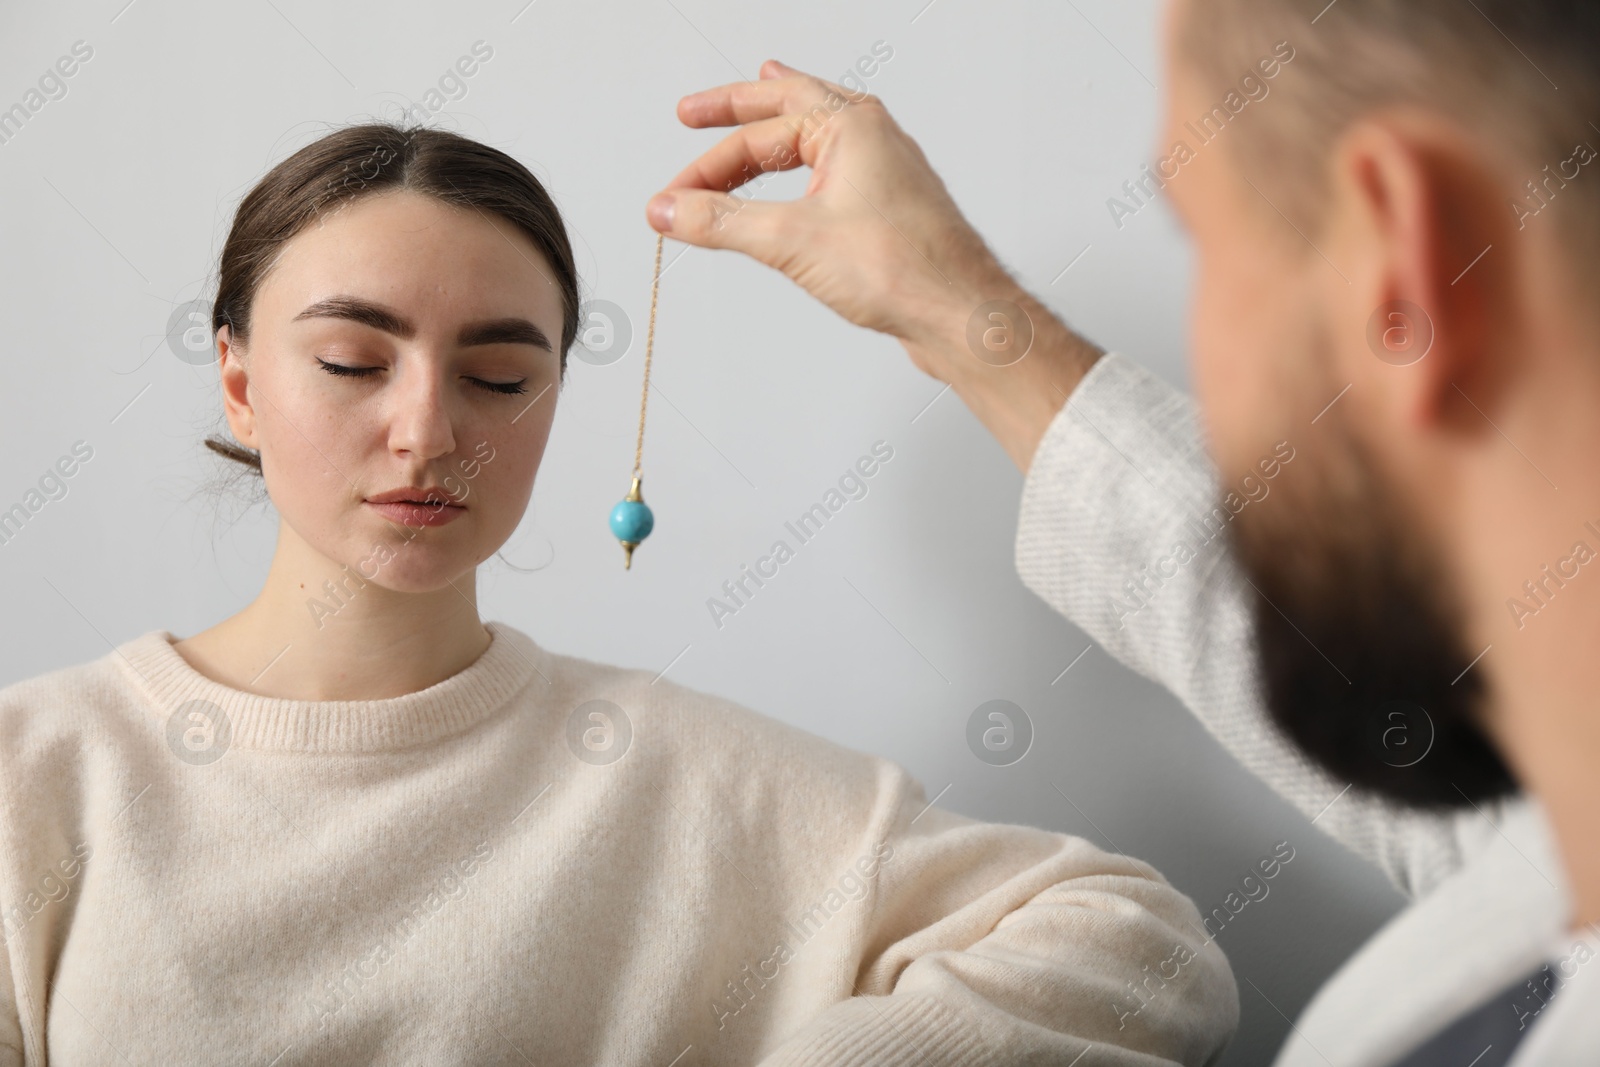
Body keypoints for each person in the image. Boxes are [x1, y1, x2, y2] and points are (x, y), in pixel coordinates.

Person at [0, 124, 1238, 1064]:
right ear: (237, 382)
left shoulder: (692, 779)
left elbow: (1144, 950)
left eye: (496, 377)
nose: (427, 431)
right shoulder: (40, 773)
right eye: (350, 362)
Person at [643, 1, 1600, 1064]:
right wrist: (964, 313)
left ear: (1401, 267)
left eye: (1203, 235)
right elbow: (1482, 798)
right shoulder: (1552, 819)